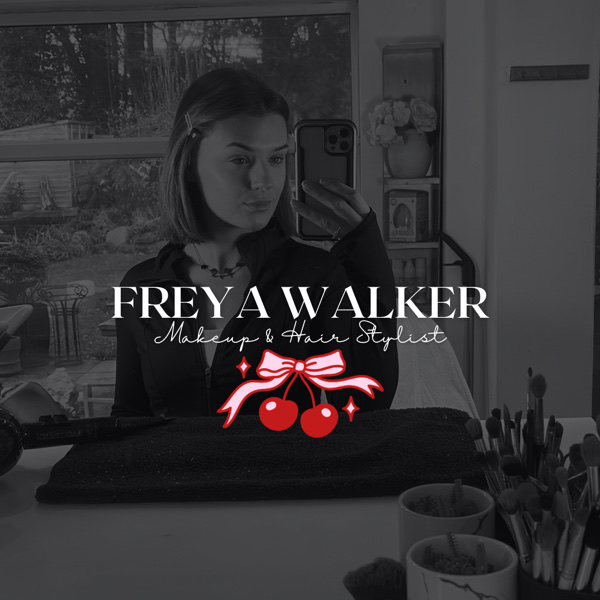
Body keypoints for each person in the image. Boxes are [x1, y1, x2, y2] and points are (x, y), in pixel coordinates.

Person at [111, 67, 398, 423]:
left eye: (276, 158)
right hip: (171, 463)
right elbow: (128, 416)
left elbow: (367, 407)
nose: (264, 181)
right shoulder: (140, 288)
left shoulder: (314, 278)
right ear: (188, 163)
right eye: (240, 159)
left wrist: (368, 257)